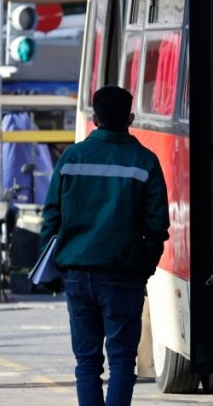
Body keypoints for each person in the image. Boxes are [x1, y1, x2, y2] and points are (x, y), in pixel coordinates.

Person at [40, 86, 169, 406]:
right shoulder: (145, 161)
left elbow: (51, 217)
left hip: (78, 274)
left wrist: (53, 265)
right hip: (124, 274)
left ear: (94, 119)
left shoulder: (72, 158)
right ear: (130, 119)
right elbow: (157, 226)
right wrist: (145, 267)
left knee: (87, 364)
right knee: (123, 361)